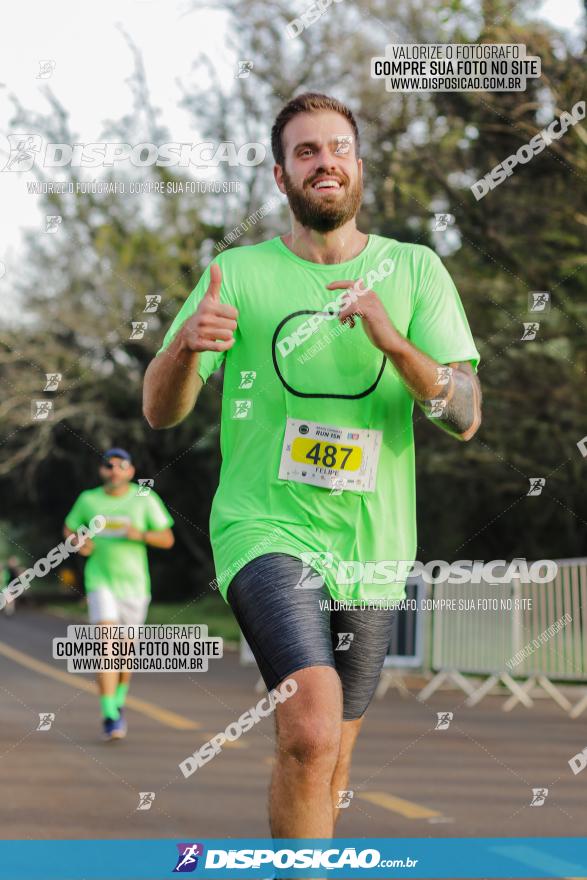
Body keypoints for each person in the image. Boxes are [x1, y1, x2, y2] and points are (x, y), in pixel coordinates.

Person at [143, 92, 482, 843]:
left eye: (336, 148)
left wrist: (396, 345)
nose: (323, 161)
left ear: (357, 165)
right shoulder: (234, 273)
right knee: (308, 729)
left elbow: (464, 415)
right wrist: (184, 348)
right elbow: (160, 412)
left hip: (372, 548)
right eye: (304, 151)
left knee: (330, 761)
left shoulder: (416, 269)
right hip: (264, 528)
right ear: (279, 176)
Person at [63, 448, 174, 741]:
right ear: (102, 471)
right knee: (107, 647)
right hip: (100, 581)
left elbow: (167, 538)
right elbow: (70, 529)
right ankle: (109, 715)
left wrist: (141, 535)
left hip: (136, 586)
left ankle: (118, 701)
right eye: (108, 465)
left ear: (130, 470)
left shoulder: (144, 498)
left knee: (125, 655)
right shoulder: (89, 499)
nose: (113, 470)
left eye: (120, 465)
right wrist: (78, 542)